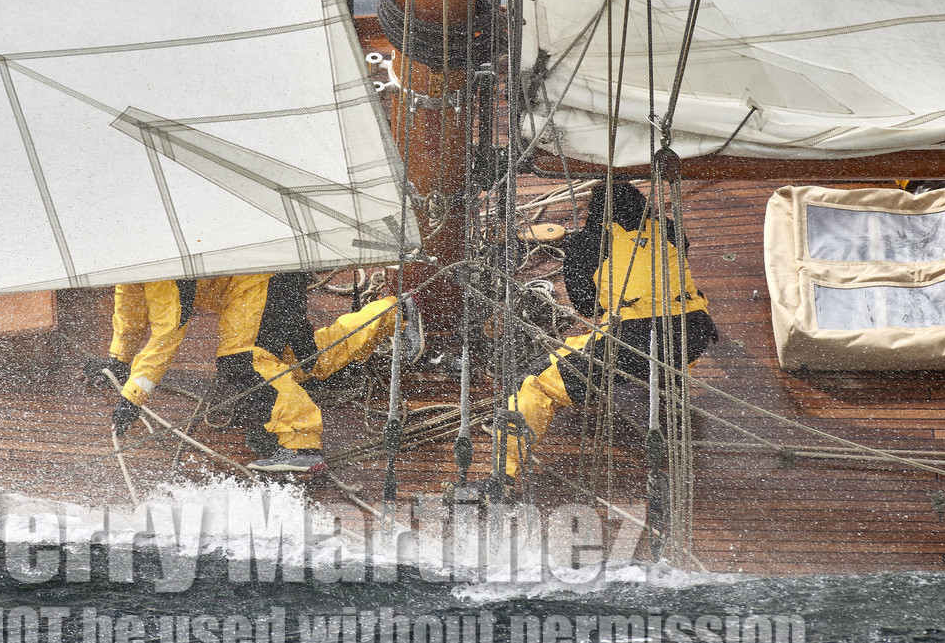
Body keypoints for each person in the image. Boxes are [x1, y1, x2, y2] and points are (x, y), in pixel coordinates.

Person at [490, 180, 717, 481]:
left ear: (594, 213)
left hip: (637, 341)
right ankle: (671, 380)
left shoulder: (588, 243)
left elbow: (588, 307)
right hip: (695, 331)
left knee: (535, 382)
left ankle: (502, 479)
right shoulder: (669, 229)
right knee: (663, 326)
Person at [83, 274, 421, 474]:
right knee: (303, 362)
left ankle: (302, 445)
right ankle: (392, 312)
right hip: (265, 283)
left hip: (262, 284)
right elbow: (128, 311)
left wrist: (133, 397)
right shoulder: (130, 264)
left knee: (244, 361)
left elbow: (167, 333)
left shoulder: (166, 269)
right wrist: (118, 359)